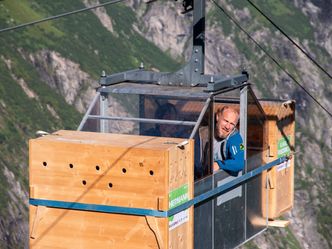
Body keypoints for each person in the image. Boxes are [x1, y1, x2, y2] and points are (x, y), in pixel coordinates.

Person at [197, 106, 244, 177]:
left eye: (232, 124)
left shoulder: (235, 138)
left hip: (220, 181)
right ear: (217, 117)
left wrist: (219, 164)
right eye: (226, 121)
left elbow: (239, 163)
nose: (227, 127)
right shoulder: (202, 132)